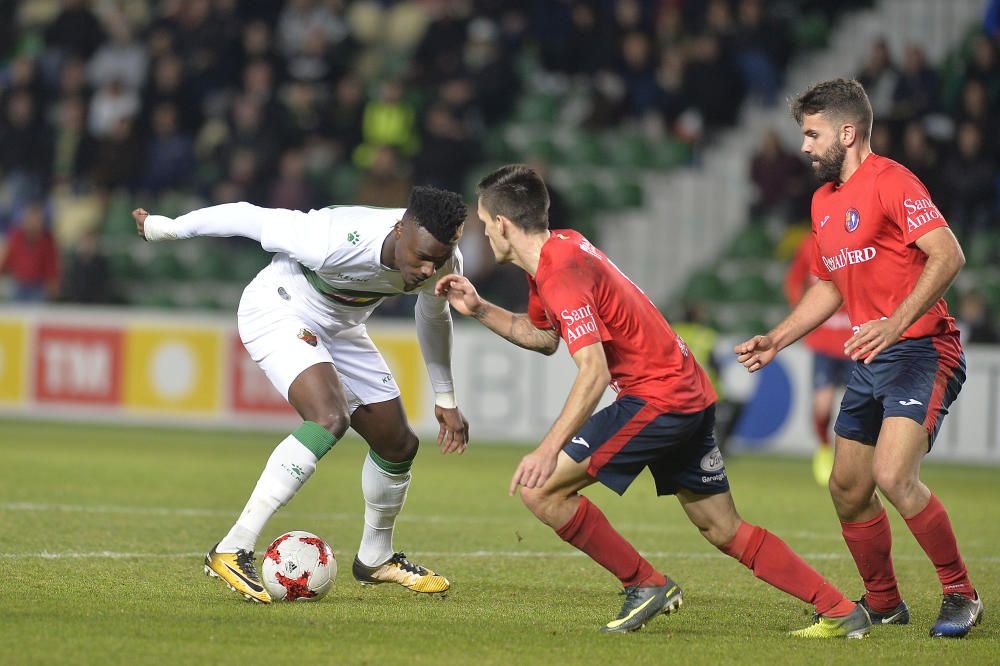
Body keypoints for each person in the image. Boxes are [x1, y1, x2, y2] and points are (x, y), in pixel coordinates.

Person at [436, 164, 870, 638]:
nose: (482, 232)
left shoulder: (559, 271)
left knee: (543, 490)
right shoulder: (560, 251)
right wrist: (480, 308)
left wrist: (547, 449)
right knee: (722, 528)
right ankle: (839, 608)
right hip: (687, 392)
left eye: (483, 222)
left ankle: (645, 583)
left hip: (659, 398)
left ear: (502, 223)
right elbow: (542, 337)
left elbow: (594, 372)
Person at [132, 186, 470, 604]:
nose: (426, 269)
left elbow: (434, 316)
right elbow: (245, 215)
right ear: (400, 229)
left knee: (398, 443)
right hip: (280, 306)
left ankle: (375, 557)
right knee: (329, 417)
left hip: (342, 327)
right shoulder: (330, 239)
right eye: (421, 256)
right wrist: (167, 229)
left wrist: (446, 398)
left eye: (436, 260)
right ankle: (232, 547)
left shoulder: (444, 262)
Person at [735, 79, 982, 638]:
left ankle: (961, 593)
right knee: (847, 487)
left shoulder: (893, 181)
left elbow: (949, 254)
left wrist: (897, 321)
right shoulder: (822, 202)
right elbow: (827, 287)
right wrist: (778, 338)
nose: (804, 146)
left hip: (923, 349)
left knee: (894, 475)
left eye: (812, 134)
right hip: (874, 357)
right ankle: (886, 601)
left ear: (847, 133)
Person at [783, 234, 854, 485]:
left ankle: (854, 459)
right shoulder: (808, 245)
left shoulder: (859, 240)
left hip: (856, 340)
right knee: (822, 406)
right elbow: (794, 280)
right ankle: (824, 447)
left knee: (855, 406)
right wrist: (802, 315)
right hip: (823, 342)